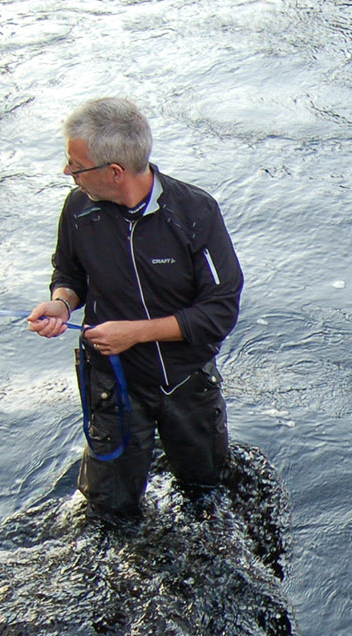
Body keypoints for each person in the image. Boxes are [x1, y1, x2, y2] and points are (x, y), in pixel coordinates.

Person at [26, 97, 243, 522]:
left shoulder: (195, 212)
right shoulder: (78, 209)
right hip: (114, 385)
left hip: (187, 382)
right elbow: (69, 273)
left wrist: (135, 333)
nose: (67, 173)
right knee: (106, 512)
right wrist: (61, 302)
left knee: (206, 497)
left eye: (76, 166)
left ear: (115, 172)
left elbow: (219, 312)